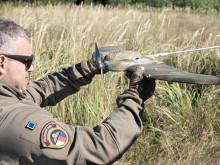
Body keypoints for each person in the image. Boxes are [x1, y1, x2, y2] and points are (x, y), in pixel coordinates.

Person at [0, 18, 155, 165]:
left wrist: (89, 67)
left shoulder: (9, 96)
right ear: (2, 63)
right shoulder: (18, 126)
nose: (31, 68)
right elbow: (98, 148)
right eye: (27, 61)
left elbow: (43, 88)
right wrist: (136, 95)